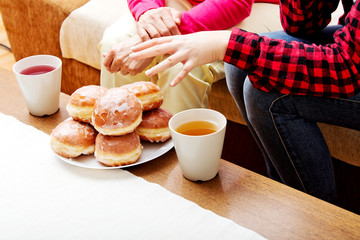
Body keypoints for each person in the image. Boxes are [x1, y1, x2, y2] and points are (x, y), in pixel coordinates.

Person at [129, 0, 360, 203]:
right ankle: (284, 193)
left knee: (266, 94)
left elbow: (346, 68)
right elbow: (303, 25)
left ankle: (317, 216)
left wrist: (226, 43)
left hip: (351, 62)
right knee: (239, 65)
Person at [99, 0, 281, 114]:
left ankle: (174, 169)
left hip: (257, 4)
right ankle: (119, 151)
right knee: (115, 41)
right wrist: (147, 13)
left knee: (182, 66)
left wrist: (154, 40)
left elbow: (235, 3)